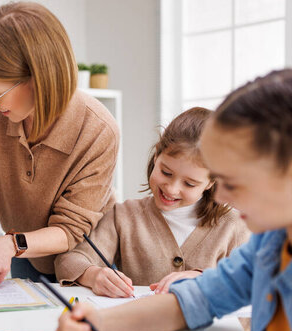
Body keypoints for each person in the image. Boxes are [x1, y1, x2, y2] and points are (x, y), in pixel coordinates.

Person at [56, 69, 292, 331]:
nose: (221, 196)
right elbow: (193, 301)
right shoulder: (270, 246)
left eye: (234, 180)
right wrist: (98, 324)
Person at [0, 2, 119, 293]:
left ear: (37, 80)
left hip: (85, 264)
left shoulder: (98, 129)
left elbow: (69, 230)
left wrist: (12, 243)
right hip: (25, 255)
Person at [55, 107, 249, 297]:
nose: (171, 189)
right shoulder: (123, 216)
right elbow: (69, 260)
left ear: (211, 182)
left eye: (190, 184)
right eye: (166, 172)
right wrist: (93, 275)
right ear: (156, 155)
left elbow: (255, 283)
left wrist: (208, 280)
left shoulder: (235, 225)